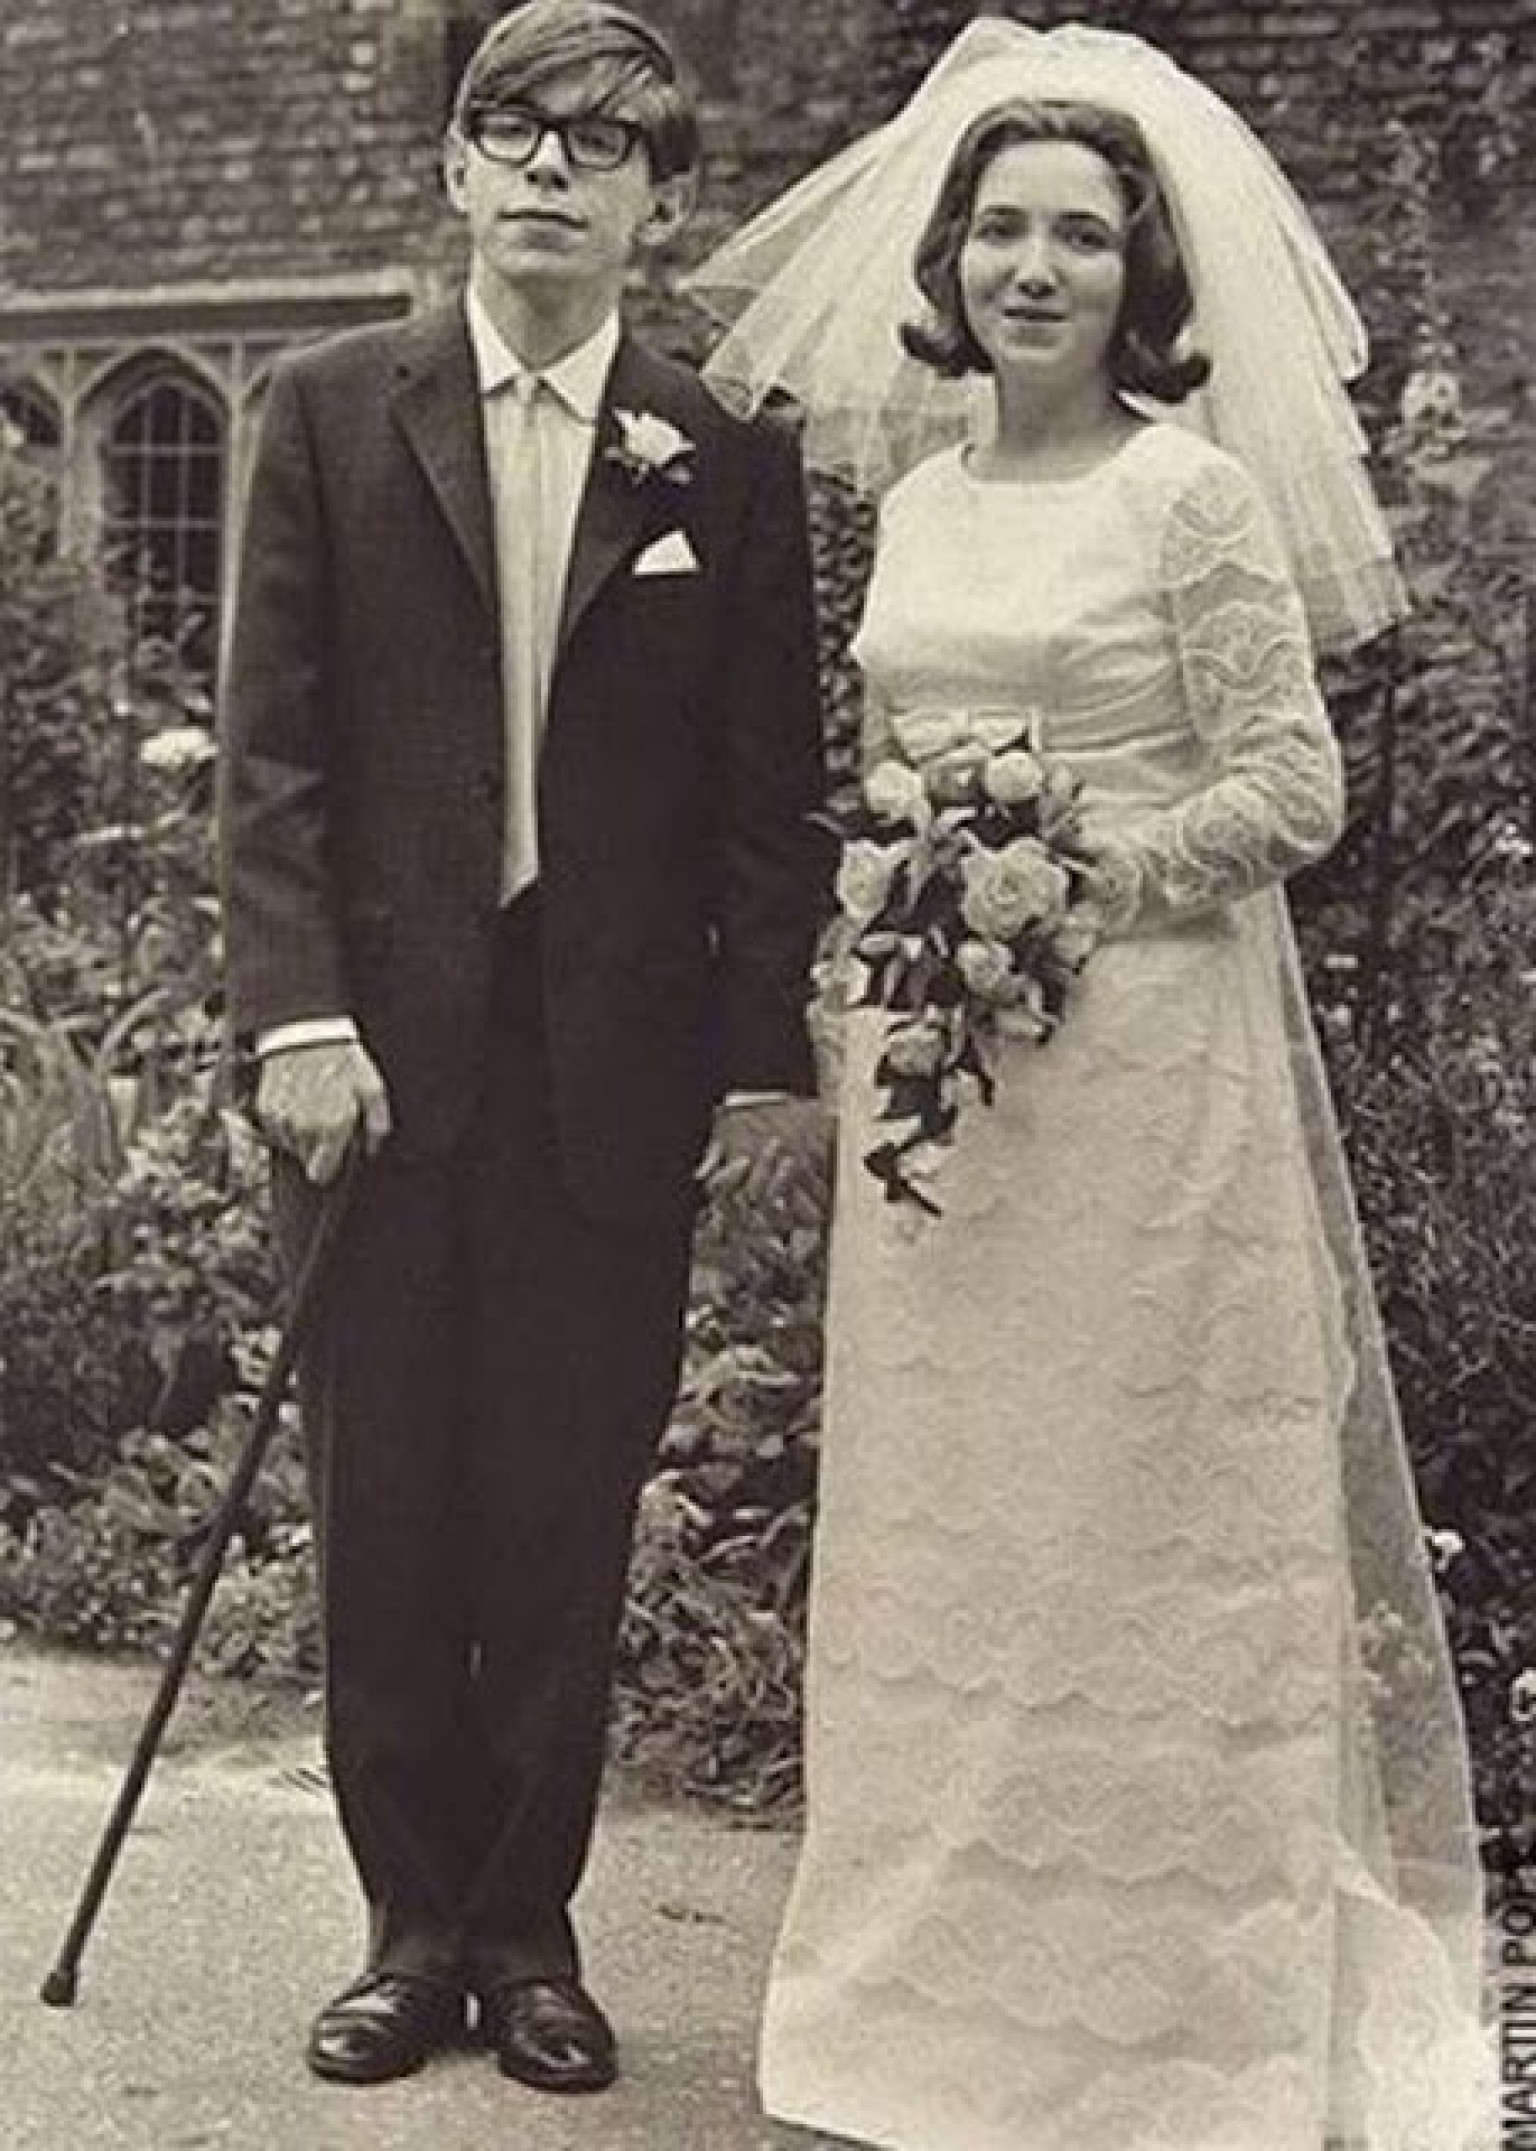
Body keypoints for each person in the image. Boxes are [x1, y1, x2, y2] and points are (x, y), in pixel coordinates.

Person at [689, 20, 1494, 2151]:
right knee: (958, 1528)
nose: (1037, 267)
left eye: (1083, 235)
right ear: (951, 261)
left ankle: (1168, 2033)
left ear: (1143, 280)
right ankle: (930, 2010)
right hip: (945, 1091)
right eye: (1004, 228)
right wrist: (923, 879)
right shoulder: (922, 493)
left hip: (1145, 1074)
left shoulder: (1190, 490)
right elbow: (885, 760)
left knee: (1134, 1525)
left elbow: (1292, 786)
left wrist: (1077, 870)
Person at [216, 0, 825, 2095]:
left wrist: (759, 1070)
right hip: (368, 1068)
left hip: (610, 1082)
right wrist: (297, 1016)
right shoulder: (318, 409)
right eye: (514, 132)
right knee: (383, 1500)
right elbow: (272, 760)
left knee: (565, 1509)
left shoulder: (723, 453)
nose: (552, 169)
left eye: (602, 142)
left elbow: (772, 800)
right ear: (457, 174)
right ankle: (405, 1929)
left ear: (662, 197)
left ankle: (534, 1930)